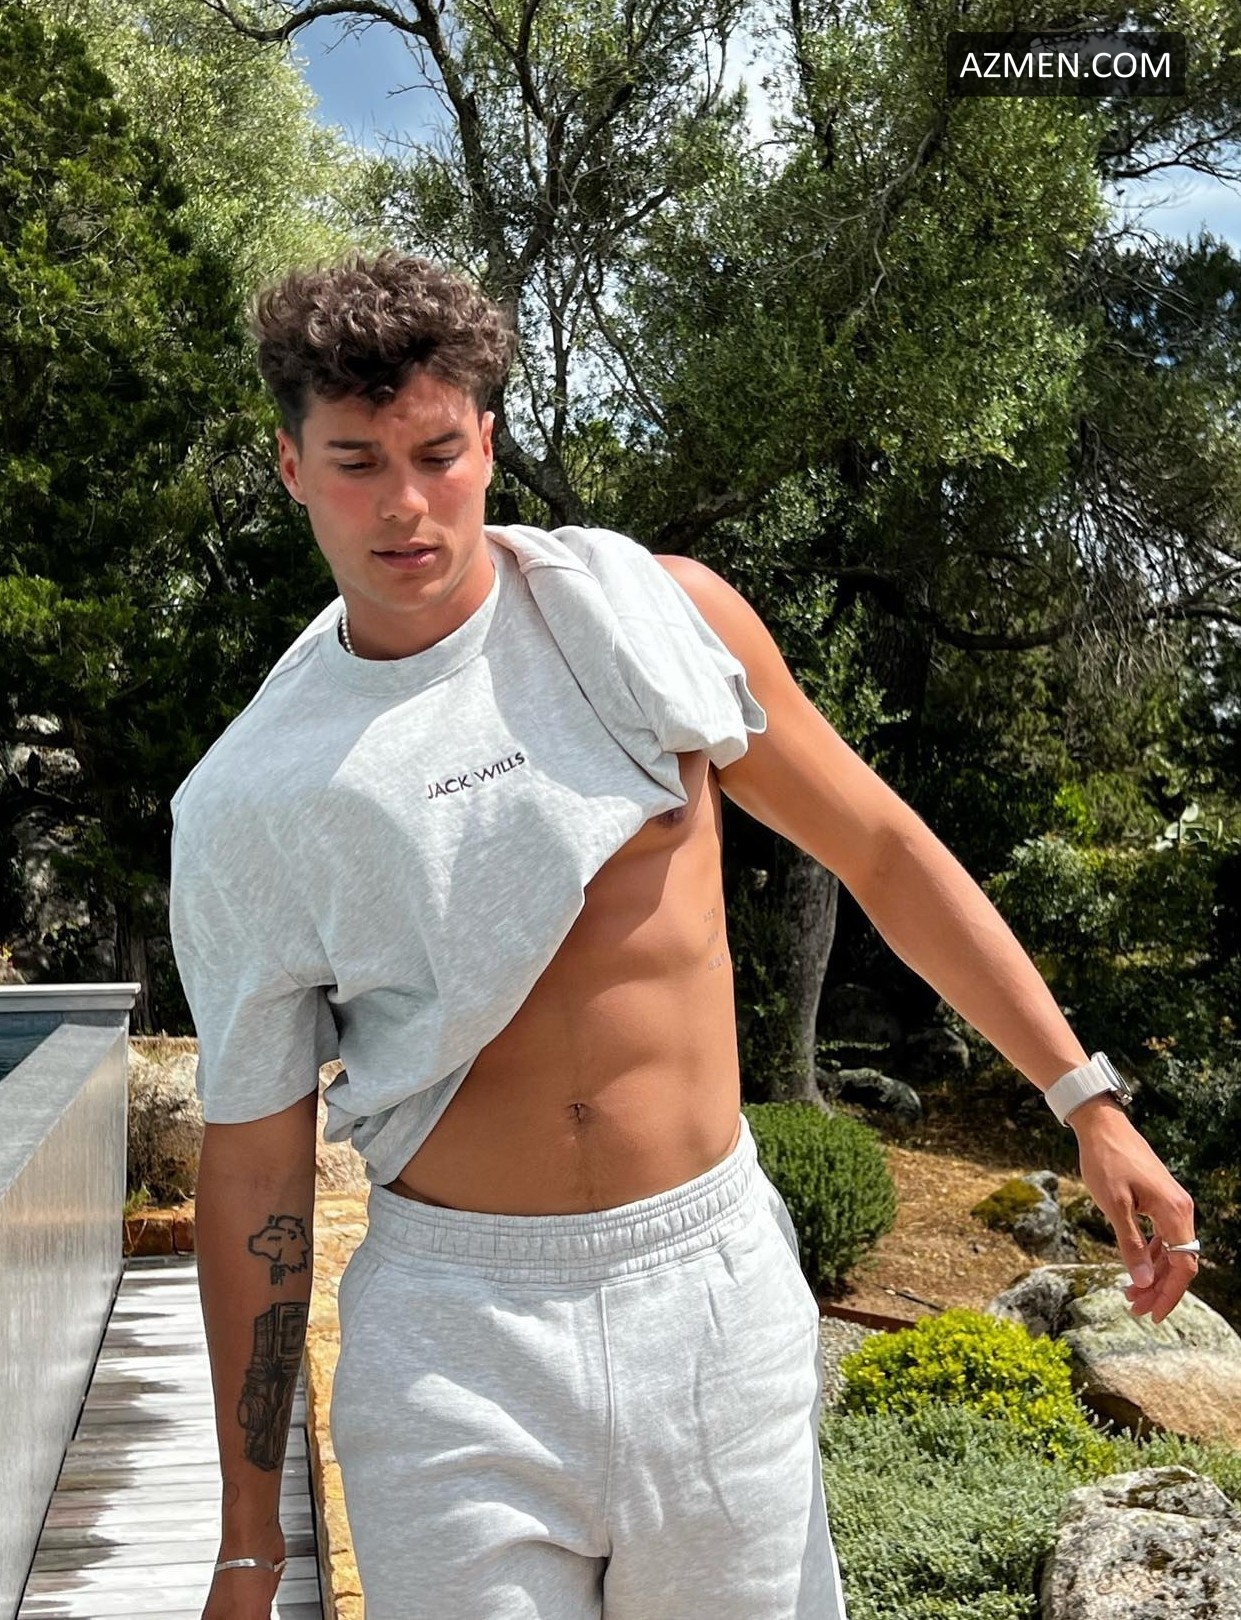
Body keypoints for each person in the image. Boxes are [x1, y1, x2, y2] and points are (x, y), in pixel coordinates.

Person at [169, 251, 1201, 1620]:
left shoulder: (650, 618)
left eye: (437, 453)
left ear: (488, 442)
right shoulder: (252, 799)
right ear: (293, 466)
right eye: (357, 463)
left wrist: (1086, 1100)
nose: (404, 504)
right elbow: (255, 1159)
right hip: (457, 1333)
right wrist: (251, 1542)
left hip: (707, 1289)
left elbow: (882, 850)